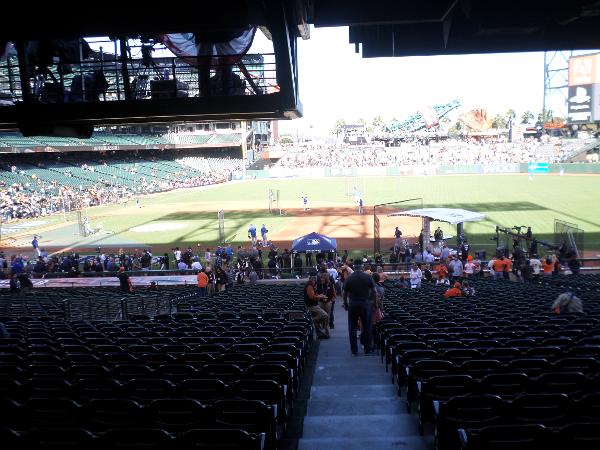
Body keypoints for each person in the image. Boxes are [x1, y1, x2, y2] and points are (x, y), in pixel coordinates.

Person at [343, 259, 376, 355]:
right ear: (362, 266)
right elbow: (374, 291)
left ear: (354, 266)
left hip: (353, 303)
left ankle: (354, 350)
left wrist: (345, 303)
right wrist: (374, 303)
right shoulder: (368, 277)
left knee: (352, 327)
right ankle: (367, 349)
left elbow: (344, 293)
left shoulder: (350, 277)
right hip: (365, 303)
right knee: (367, 326)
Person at [305, 271, 330, 339]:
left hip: (314, 305)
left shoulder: (312, 285)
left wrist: (319, 295)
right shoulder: (309, 285)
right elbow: (311, 297)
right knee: (325, 315)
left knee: (322, 317)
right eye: (315, 277)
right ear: (313, 278)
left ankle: (320, 334)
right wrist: (320, 297)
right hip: (311, 306)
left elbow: (314, 295)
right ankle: (311, 321)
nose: (316, 278)